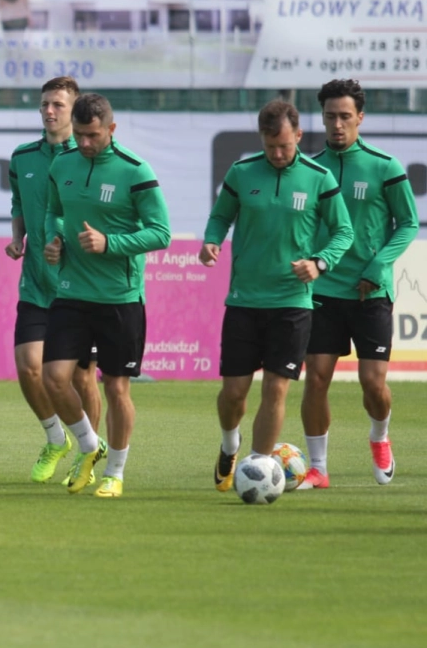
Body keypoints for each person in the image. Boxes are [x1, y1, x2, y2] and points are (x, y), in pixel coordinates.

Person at [200, 99, 353, 493]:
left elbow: (343, 232)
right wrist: (212, 242)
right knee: (233, 393)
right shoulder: (241, 172)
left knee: (276, 388)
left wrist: (319, 263)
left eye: (285, 145)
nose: (279, 154)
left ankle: (255, 470)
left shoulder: (319, 177)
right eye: (271, 147)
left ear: (298, 136)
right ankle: (230, 444)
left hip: (292, 303)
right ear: (262, 141)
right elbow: (220, 216)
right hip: (244, 301)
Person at [42, 93, 171, 499]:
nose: (83, 143)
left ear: (111, 130)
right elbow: (53, 212)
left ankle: (115, 472)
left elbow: (161, 232)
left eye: (92, 135)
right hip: (72, 291)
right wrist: (54, 239)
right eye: (78, 134)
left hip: (120, 296)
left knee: (116, 388)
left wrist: (110, 242)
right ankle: (88, 445)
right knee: (54, 378)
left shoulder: (136, 171)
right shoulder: (61, 164)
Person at [300, 80, 418, 488]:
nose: (337, 124)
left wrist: (378, 264)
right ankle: (318, 467)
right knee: (315, 377)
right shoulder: (309, 168)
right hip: (322, 292)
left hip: (371, 292)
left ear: (360, 118)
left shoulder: (385, 166)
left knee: (373, 383)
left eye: (345, 117)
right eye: (330, 116)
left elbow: (408, 224)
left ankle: (380, 437)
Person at [6, 77, 102, 484]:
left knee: (81, 377)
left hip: (82, 285)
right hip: (36, 281)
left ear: (75, 108)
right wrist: (16, 237)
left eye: (58, 105)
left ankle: (90, 455)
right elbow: (18, 203)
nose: (49, 111)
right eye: (45, 104)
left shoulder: (90, 156)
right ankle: (54, 437)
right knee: (29, 368)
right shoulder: (23, 156)